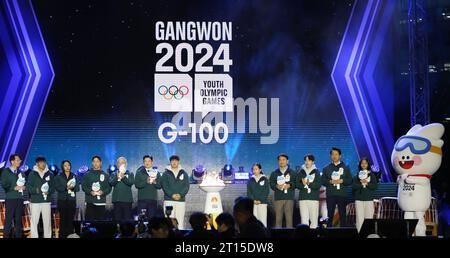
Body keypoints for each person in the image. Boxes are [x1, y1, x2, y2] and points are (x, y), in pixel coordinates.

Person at [321, 147, 352, 227]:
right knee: (330, 215)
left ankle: (342, 233)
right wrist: (330, 181)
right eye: (332, 154)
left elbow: (350, 180)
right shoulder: (326, 168)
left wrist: (342, 181)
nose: (334, 156)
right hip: (331, 195)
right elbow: (323, 181)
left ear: (340, 156)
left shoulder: (345, 167)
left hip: (342, 195)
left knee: (342, 215)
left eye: (336, 154)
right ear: (330, 156)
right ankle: (329, 233)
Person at [27, 156, 55, 238]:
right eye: (40, 162)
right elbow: (28, 187)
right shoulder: (32, 174)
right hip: (35, 201)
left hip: (46, 201)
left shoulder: (50, 174)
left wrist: (48, 191)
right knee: (34, 221)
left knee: (47, 221)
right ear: (37, 163)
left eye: (43, 162)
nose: (42, 164)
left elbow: (53, 187)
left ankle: (47, 236)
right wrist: (37, 190)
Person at [160, 155, 190, 229]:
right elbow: (164, 186)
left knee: (180, 221)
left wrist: (180, 195)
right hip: (169, 200)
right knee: (168, 221)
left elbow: (186, 186)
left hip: (181, 201)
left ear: (178, 162)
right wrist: (171, 195)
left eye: (176, 161)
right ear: (170, 162)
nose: (174, 162)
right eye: (172, 161)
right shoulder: (165, 173)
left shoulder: (184, 173)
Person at [1, 154, 26, 238]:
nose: (19, 161)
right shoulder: (6, 171)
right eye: (17, 160)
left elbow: (24, 183)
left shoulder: (21, 173)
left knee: (18, 220)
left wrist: (24, 187)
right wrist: (13, 187)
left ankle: (18, 236)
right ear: (12, 161)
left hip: (19, 198)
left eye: (20, 160)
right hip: (10, 199)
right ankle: (6, 236)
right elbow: (4, 184)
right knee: (8, 220)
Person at [269, 153, 296, 228]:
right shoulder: (274, 173)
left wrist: (290, 185)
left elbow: (296, 183)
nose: (281, 161)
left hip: (289, 198)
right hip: (278, 198)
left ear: (287, 161)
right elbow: (271, 183)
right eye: (280, 160)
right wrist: (276, 186)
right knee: (278, 220)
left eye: (283, 160)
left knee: (289, 220)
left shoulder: (292, 172)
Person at [54, 160, 80, 238]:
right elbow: (56, 187)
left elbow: (78, 188)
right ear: (62, 167)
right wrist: (66, 188)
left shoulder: (74, 176)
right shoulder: (58, 176)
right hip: (62, 201)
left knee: (70, 220)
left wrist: (72, 188)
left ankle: (70, 236)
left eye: (68, 165)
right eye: (65, 165)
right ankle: (62, 236)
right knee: (63, 220)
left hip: (71, 201)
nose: (67, 167)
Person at [81, 156, 111, 221]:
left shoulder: (105, 175)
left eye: (97, 161)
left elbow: (109, 188)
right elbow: (84, 187)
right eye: (94, 161)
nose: (95, 163)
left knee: (100, 224)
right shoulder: (87, 175)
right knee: (89, 223)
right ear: (92, 163)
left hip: (101, 203)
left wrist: (103, 192)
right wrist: (90, 192)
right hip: (90, 202)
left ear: (100, 163)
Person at [352, 157, 378, 232]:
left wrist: (367, 183)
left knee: (369, 218)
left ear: (368, 164)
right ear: (360, 165)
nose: (363, 165)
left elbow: (375, 186)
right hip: (359, 200)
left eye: (365, 163)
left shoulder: (371, 175)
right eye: (362, 163)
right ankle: (359, 233)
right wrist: (361, 183)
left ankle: (368, 234)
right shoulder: (356, 176)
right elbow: (353, 187)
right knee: (359, 219)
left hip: (369, 200)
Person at [297, 154, 321, 229]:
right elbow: (297, 184)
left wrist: (309, 183)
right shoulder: (301, 172)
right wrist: (302, 184)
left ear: (313, 161)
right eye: (306, 160)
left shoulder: (317, 172)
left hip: (313, 198)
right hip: (303, 198)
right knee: (304, 220)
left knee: (314, 220)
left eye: (309, 160)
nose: (307, 162)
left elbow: (318, 185)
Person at [134, 155, 161, 219]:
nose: (147, 162)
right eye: (145, 161)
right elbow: (137, 185)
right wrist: (146, 181)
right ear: (143, 162)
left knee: (152, 220)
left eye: (149, 161)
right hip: (142, 200)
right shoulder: (139, 172)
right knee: (141, 219)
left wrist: (155, 182)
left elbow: (159, 186)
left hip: (153, 200)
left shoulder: (156, 173)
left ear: (152, 162)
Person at [110, 156, 135, 222]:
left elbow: (130, 182)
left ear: (126, 164)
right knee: (117, 220)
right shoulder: (113, 174)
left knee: (127, 220)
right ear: (117, 164)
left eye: (122, 163)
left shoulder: (130, 174)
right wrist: (117, 176)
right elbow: (111, 183)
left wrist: (123, 177)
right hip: (117, 200)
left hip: (127, 201)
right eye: (119, 163)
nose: (120, 164)